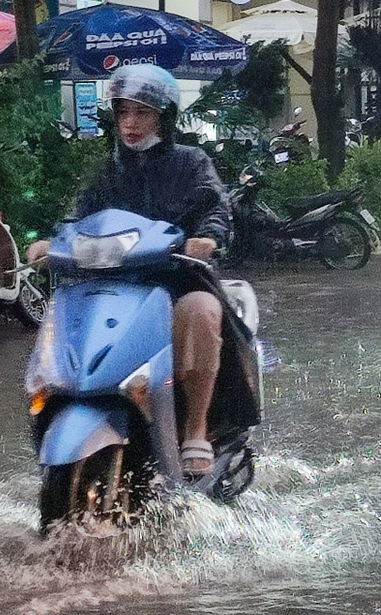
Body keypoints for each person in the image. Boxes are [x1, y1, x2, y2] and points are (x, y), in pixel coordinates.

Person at [26, 64, 232, 478]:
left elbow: (216, 207)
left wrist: (206, 238)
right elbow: (77, 218)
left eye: (142, 112)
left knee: (202, 311)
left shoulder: (191, 164)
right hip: (112, 286)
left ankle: (195, 428)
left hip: (175, 281)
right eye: (123, 112)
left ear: (164, 116)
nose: (131, 123)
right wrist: (52, 242)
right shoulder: (107, 173)